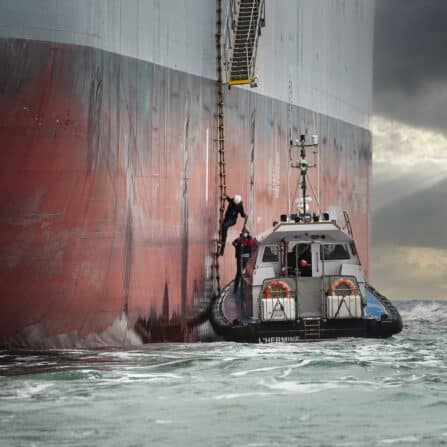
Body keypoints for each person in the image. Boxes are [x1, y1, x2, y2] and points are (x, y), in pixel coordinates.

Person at [232, 229, 256, 293]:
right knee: (239, 273)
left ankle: (245, 290)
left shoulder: (250, 240)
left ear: (248, 233)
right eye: (244, 233)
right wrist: (238, 243)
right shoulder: (239, 240)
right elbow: (233, 243)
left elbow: (253, 245)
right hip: (240, 259)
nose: (245, 234)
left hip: (248, 259)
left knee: (248, 274)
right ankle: (235, 290)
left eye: (246, 233)